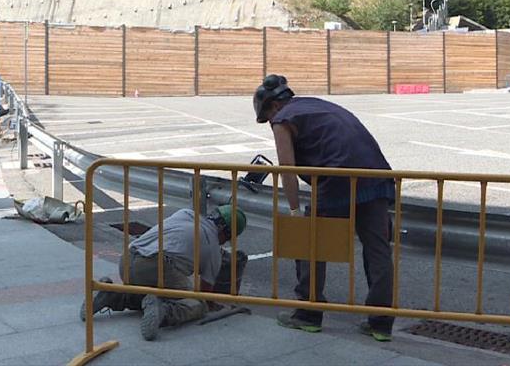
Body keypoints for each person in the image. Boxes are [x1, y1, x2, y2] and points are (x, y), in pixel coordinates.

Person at [253, 74, 395, 342]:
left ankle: (308, 313)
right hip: (377, 176)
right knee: (378, 250)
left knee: (310, 244)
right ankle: (381, 322)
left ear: (272, 107)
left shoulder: (283, 119)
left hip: (336, 178)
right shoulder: (315, 104)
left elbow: (287, 169)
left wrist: (295, 212)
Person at [81, 205, 247, 341]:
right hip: (156, 266)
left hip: (127, 260)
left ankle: (112, 295)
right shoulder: (213, 249)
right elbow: (205, 294)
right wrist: (212, 304)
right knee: (198, 304)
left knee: (151, 293)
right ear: (226, 233)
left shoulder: (185, 213)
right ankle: (165, 311)